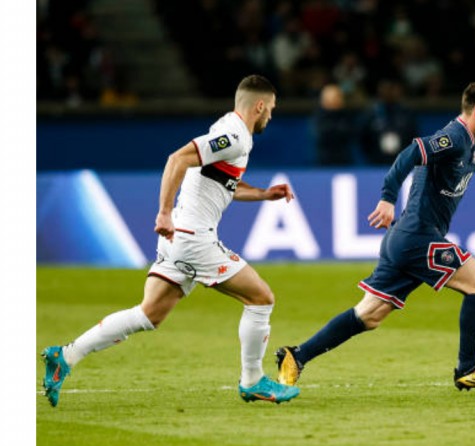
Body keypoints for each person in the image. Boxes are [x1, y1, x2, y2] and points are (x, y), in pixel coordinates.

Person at [275, 81, 475, 390]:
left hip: (405, 240)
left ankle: (296, 356)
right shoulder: (454, 137)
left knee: (369, 315)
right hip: (417, 237)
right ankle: (468, 368)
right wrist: (387, 198)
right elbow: (410, 153)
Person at [41, 75, 300, 406]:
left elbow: (221, 184)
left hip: (179, 240)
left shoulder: (228, 130)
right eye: (272, 109)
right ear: (260, 105)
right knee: (261, 298)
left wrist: (264, 194)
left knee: (148, 314)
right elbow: (177, 159)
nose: (271, 117)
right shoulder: (234, 135)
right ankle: (252, 381)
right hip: (193, 239)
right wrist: (163, 213)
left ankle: (65, 356)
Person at [358, 78, 418, 165]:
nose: (388, 93)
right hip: (377, 162)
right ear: (379, 91)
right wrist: (371, 157)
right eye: (385, 89)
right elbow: (363, 139)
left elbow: (413, 138)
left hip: (401, 163)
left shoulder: (406, 113)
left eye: (391, 89)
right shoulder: (371, 114)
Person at [312, 83, 357, 166]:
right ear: (324, 100)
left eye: (340, 96)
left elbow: (351, 135)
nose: (338, 99)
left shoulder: (347, 116)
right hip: (322, 163)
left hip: (345, 162)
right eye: (335, 97)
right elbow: (321, 136)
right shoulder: (317, 118)